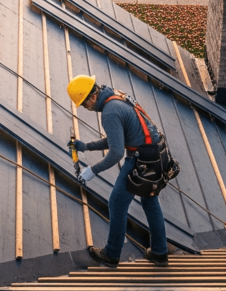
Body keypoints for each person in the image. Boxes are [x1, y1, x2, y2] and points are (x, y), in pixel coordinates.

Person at [66, 74, 169, 267]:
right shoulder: (115, 96)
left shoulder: (110, 112)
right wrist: (86, 146)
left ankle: (112, 254)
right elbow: (117, 138)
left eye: (85, 105)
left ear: (92, 97)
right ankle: (159, 252)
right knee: (150, 201)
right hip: (155, 154)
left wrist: (91, 171)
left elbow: (115, 152)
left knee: (117, 204)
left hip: (141, 159)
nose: (87, 109)